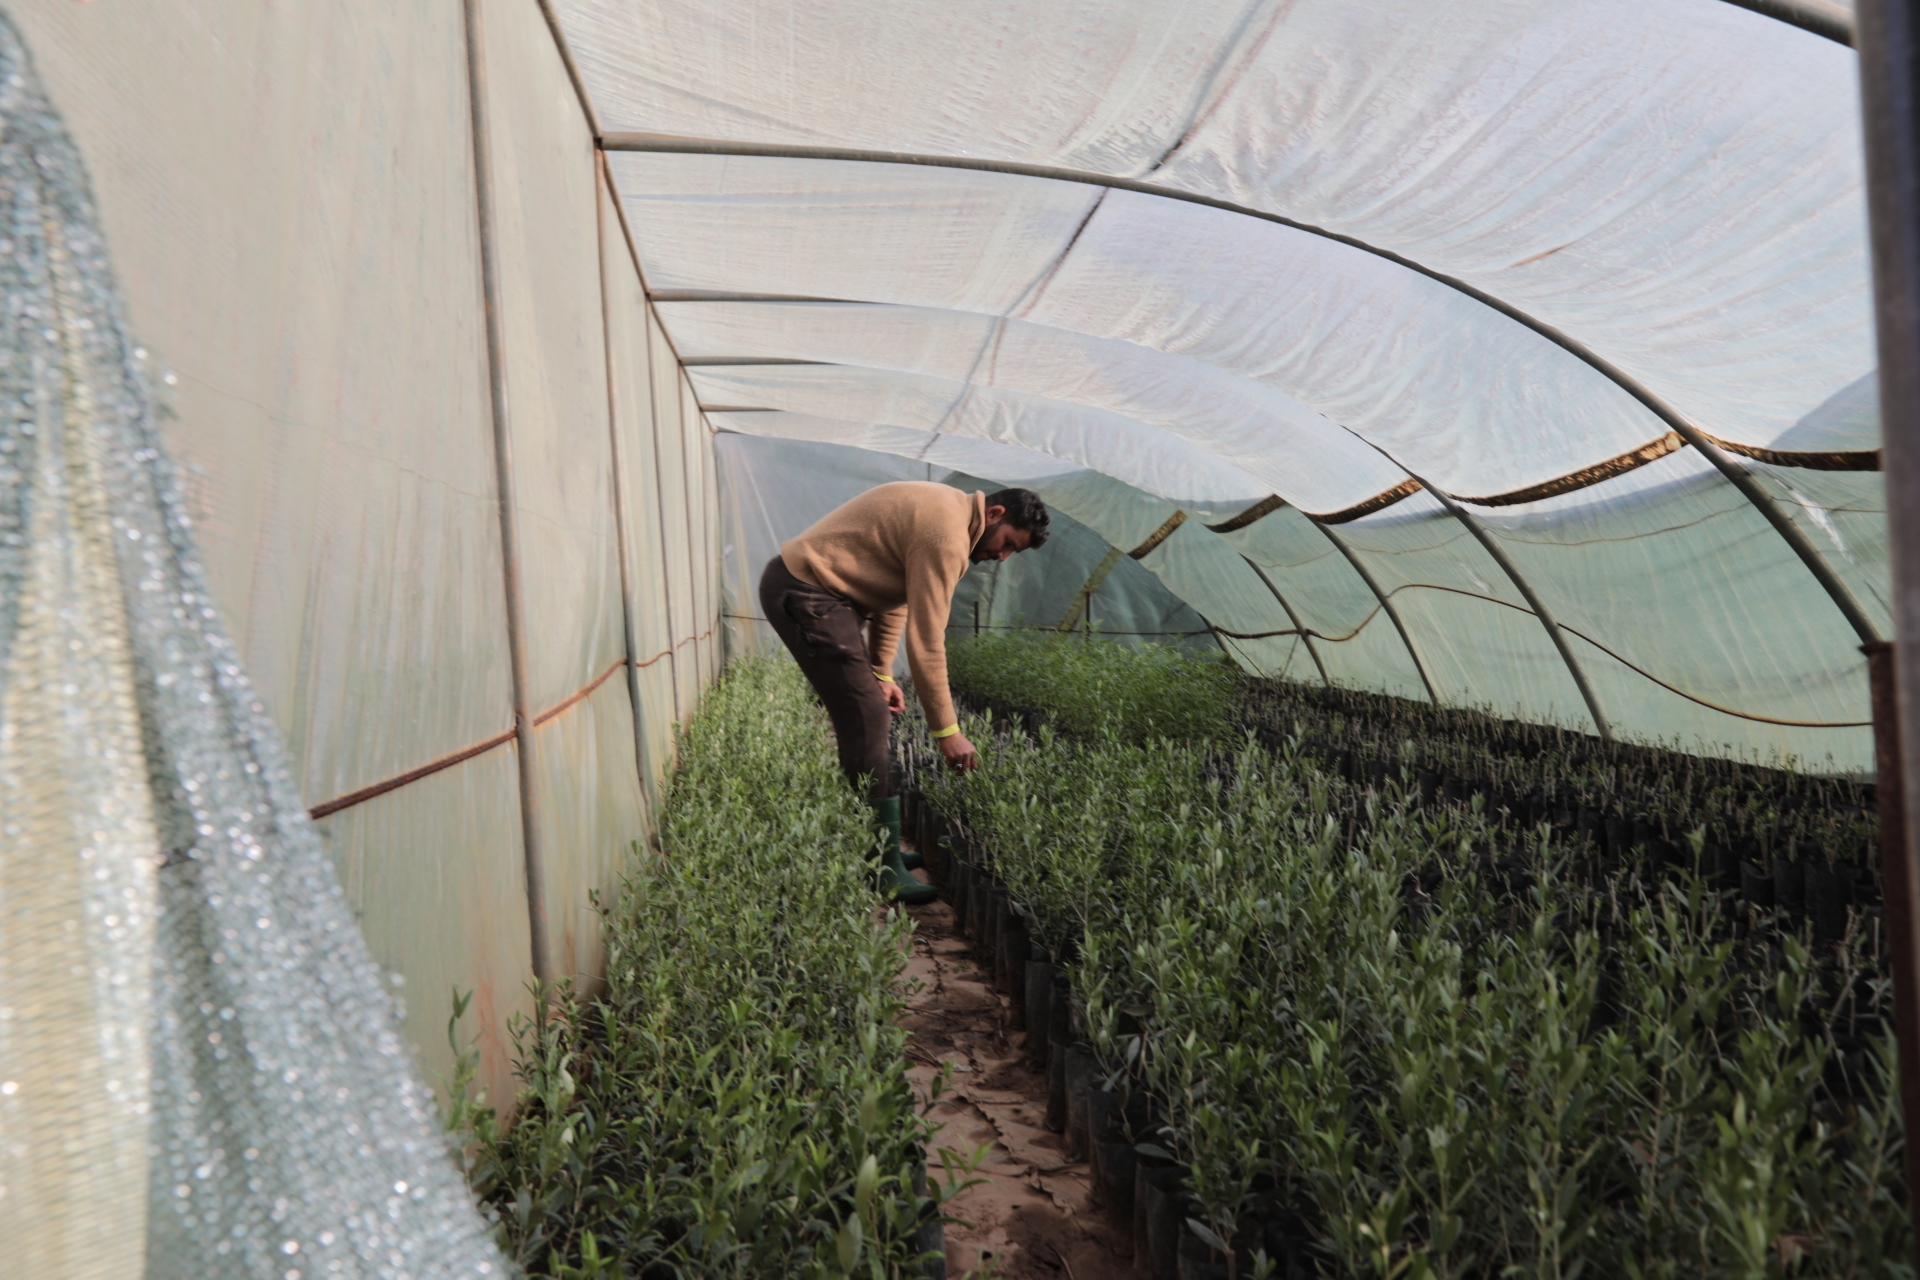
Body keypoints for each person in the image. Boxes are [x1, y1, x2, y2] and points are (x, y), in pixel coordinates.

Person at [760, 482, 1050, 902]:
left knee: (869, 709)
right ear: (995, 513)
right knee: (866, 717)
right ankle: (880, 864)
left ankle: (882, 848)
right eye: (1006, 544)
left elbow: (897, 597)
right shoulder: (947, 536)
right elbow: (928, 640)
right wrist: (947, 732)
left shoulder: (948, 514)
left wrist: (882, 672)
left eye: (1012, 554)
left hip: (818, 594)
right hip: (807, 593)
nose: (1000, 558)